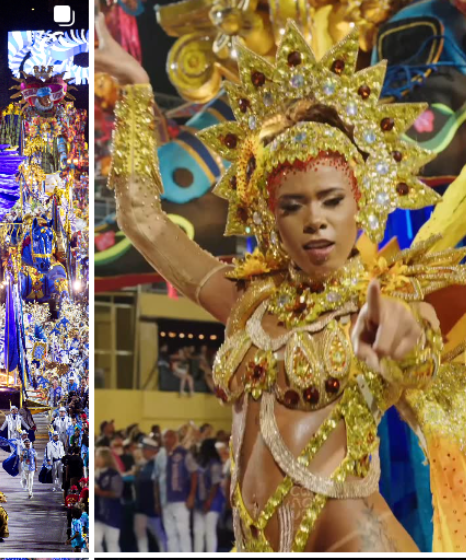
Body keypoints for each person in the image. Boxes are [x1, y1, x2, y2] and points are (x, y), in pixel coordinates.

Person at [97, 14, 466, 553]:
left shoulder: (389, 300)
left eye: (332, 200)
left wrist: (403, 339)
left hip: (354, 540)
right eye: (293, 206)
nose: (315, 220)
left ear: (359, 204)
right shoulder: (247, 301)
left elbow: (418, 348)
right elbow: (144, 222)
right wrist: (133, 88)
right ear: (270, 218)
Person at [155, 429, 197, 552]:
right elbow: (157, 479)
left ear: (175, 438)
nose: (167, 439)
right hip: (165, 500)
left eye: (170, 436)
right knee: (170, 533)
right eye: (165, 437)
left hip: (181, 499)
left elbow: (194, 473)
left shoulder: (183, 453)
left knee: (183, 532)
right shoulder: (160, 455)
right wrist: (157, 501)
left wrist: (191, 496)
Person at [134, 437, 168, 552]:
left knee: (160, 535)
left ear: (150, 450)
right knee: (140, 533)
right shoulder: (144, 465)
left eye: (144, 449)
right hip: (141, 507)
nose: (142, 452)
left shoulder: (159, 463)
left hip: (154, 507)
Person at [194, 439, 224, 552]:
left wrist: (209, 502)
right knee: (198, 531)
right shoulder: (201, 462)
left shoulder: (215, 463)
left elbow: (215, 484)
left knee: (209, 530)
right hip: (200, 500)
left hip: (213, 501)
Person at [95, 446, 123, 552]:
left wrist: (99, 492)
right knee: (95, 542)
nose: (96, 459)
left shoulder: (113, 474)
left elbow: (116, 493)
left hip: (111, 514)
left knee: (112, 543)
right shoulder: (94, 474)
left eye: (98, 457)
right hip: (97, 515)